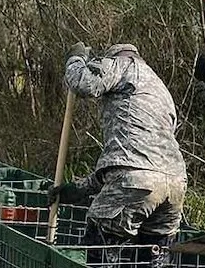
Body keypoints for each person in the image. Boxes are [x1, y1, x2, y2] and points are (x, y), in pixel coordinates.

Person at [51, 43, 187, 246]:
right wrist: (79, 190)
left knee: (99, 250)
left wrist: (76, 60)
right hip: (175, 184)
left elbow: (84, 83)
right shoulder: (160, 89)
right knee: (151, 265)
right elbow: (140, 162)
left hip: (135, 180)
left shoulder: (123, 65)